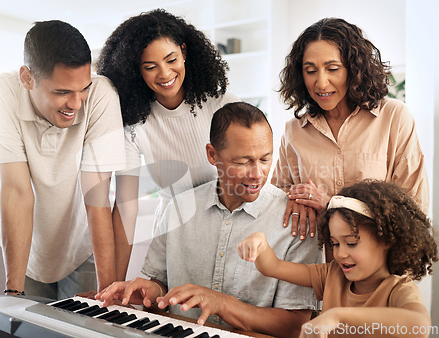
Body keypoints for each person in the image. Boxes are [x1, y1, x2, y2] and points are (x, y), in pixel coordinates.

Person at [96, 102, 322, 338]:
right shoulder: (178, 208)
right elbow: (159, 287)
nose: (257, 173)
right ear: (212, 155)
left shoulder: (298, 222)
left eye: (265, 159)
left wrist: (222, 304)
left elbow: (295, 326)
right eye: (242, 162)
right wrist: (146, 291)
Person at [0, 20, 126, 301]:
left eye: (82, 88)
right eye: (61, 92)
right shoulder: (0, 93)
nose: (76, 103)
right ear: (27, 78)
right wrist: (13, 293)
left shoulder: (101, 95)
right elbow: (16, 191)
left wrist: (108, 296)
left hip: (82, 249)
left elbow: (97, 196)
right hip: (26, 249)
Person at [95, 9, 240, 282]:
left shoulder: (223, 105)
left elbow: (251, 172)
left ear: (184, 52)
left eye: (171, 59)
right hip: (175, 234)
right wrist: (114, 284)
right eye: (150, 67)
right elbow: (126, 207)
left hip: (229, 224)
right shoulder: (134, 124)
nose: (164, 74)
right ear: (135, 71)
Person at [272, 17, 429, 241]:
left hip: (379, 269)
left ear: (354, 69)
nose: (321, 83)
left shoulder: (393, 118)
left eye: (332, 68)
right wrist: (294, 201)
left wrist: (330, 205)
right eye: (310, 70)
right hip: (315, 267)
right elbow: (278, 202)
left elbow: (413, 210)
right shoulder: (294, 131)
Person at [238, 179, 437, 338]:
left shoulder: (398, 289)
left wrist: (339, 316)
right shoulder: (333, 274)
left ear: (386, 240)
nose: (340, 254)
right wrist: (261, 243)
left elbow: (419, 325)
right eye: (334, 243)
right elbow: (273, 267)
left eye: (351, 243)